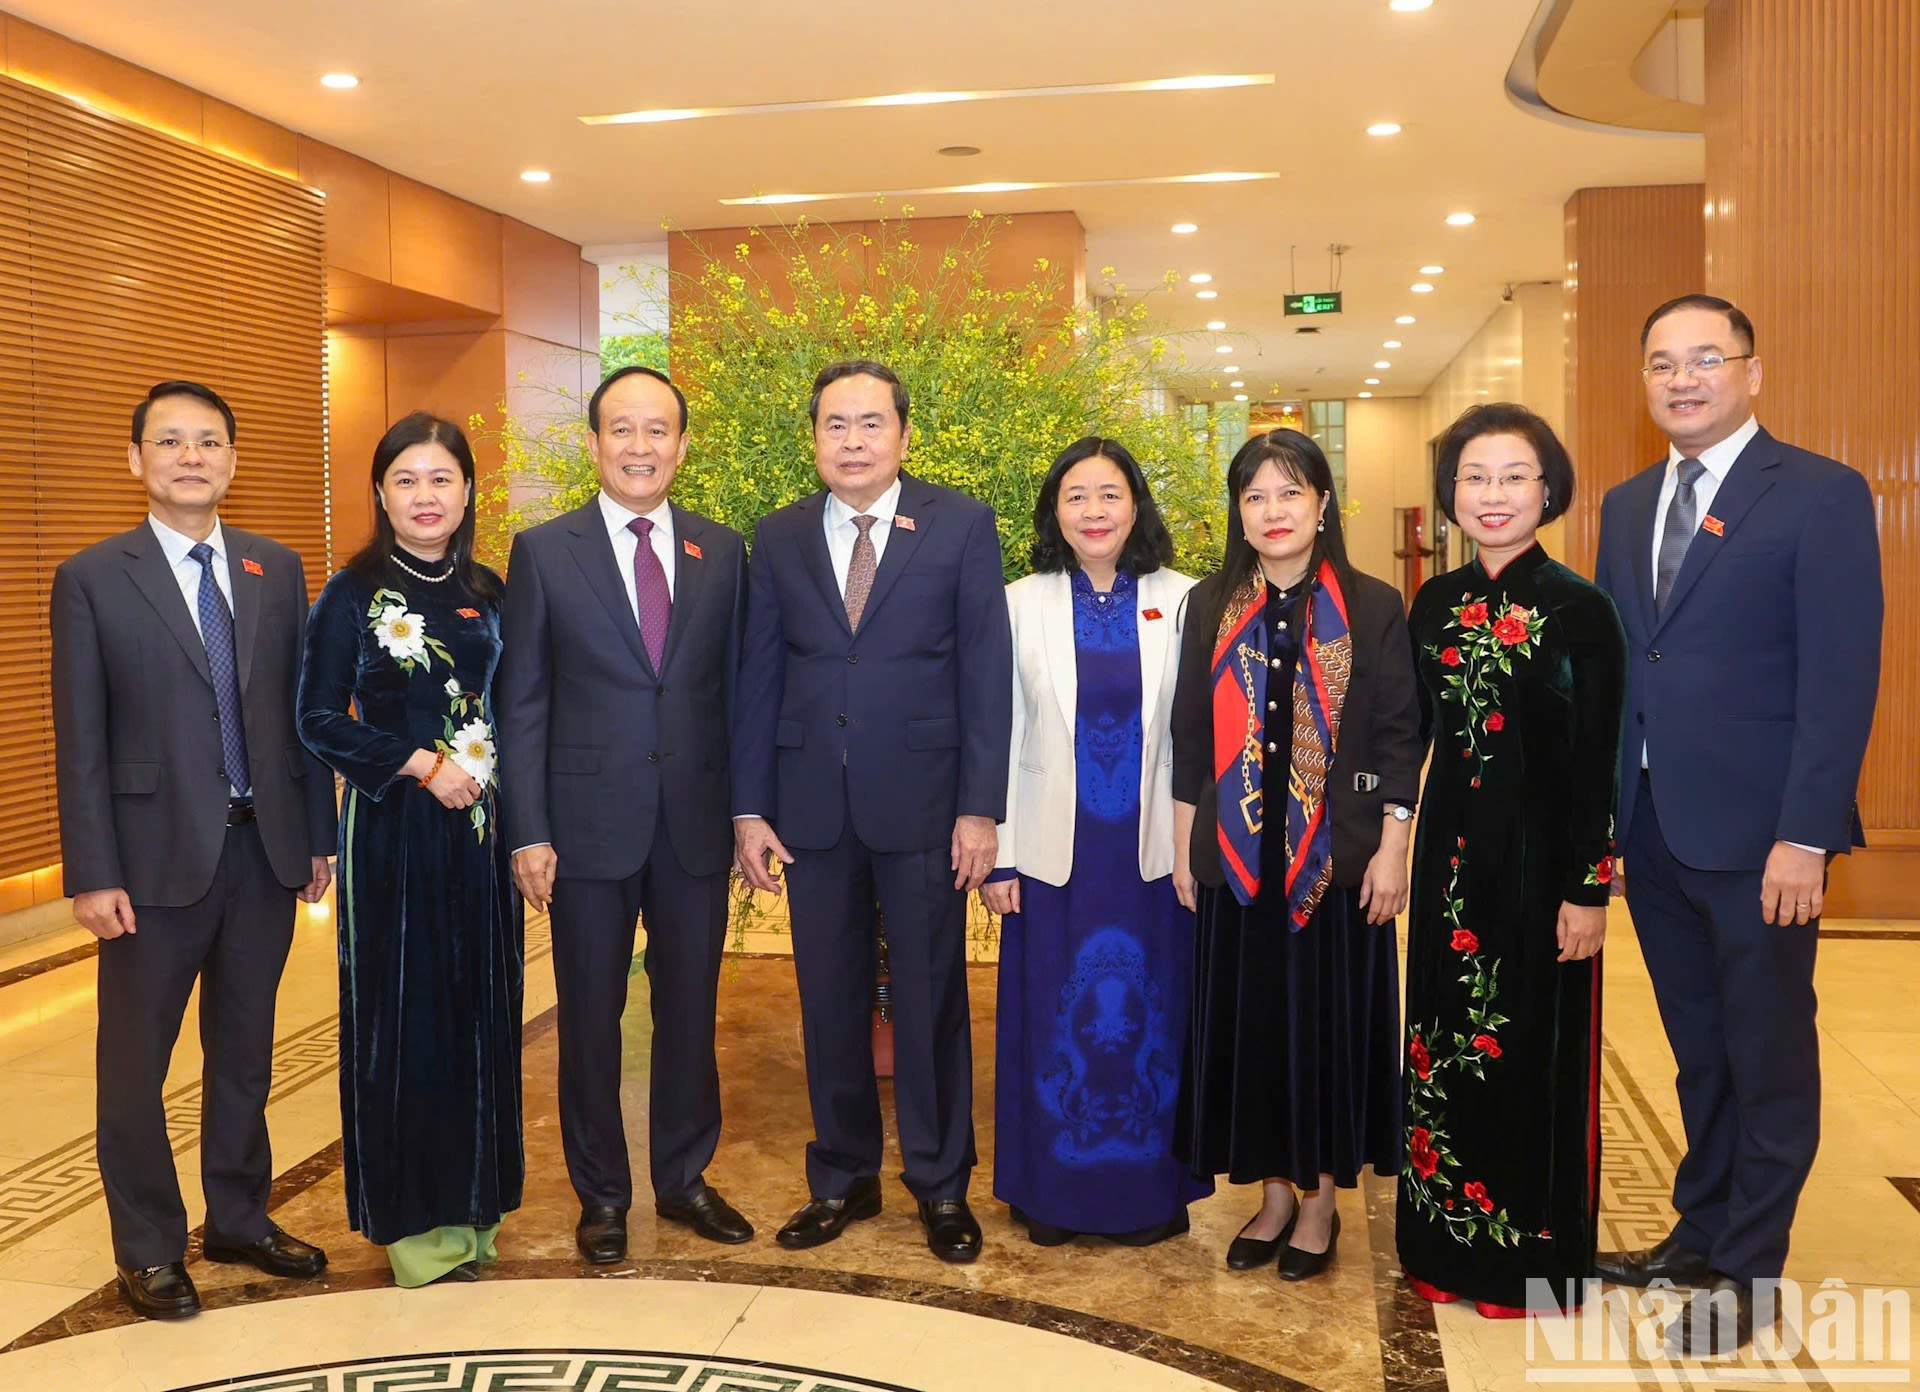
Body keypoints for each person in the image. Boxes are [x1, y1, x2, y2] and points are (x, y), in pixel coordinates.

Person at [1592, 295, 1882, 1355]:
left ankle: (1748, 1271)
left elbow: (1840, 679)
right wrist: (1607, 824)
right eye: (1663, 362)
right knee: (1699, 1051)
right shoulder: (1628, 503)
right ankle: (1700, 1232)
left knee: (1767, 1056)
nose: (1683, 379)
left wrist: (1806, 833)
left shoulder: (1818, 493)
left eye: (1706, 358)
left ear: (1751, 373)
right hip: (1654, 830)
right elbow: (1625, 666)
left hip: (1764, 842)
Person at [51, 381, 336, 1320]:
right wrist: (93, 872)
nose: (190, 457)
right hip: (149, 865)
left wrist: (317, 835)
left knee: (245, 1053)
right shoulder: (94, 577)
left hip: (263, 854)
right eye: (170, 442)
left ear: (232, 460)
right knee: (135, 1068)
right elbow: (80, 740)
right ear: (136, 459)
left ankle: (240, 1218)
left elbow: (300, 716)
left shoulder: (273, 567)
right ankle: (148, 1248)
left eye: (208, 441)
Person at [733, 360, 1012, 1264]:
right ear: (813, 437)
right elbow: (758, 678)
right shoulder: (777, 536)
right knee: (828, 999)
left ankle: (941, 1184)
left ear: (903, 434)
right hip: (810, 807)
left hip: (926, 805)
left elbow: (986, 673)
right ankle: (842, 1177)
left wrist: (980, 808)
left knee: (930, 1000)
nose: (852, 441)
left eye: (870, 423)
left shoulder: (961, 524)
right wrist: (750, 808)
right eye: (835, 424)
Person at [494, 366, 752, 1263]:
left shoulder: (722, 551)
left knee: (690, 1013)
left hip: (693, 826)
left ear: (682, 445)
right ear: (594, 443)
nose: (640, 447)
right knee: (590, 1020)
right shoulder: (543, 551)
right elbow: (523, 700)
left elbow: (738, 694)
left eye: (657, 430)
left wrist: (746, 814)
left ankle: (684, 1180)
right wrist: (529, 829)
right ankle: (601, 1194)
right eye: (622, 429)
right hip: (584, 830)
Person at [1170, 428, 1420, 1282]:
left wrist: (1393, 849)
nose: (1272, 511)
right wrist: (1185, 850)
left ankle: (1319, 1206)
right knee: (1255, 1037)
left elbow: (1399, 738)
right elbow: (1190, 741)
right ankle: (1273, 1197)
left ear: (1322, 504)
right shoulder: (1211, 604)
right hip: (1237, 867)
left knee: (1323, 1037)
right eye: (1255, 496)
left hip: (1336, 866)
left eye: (1289, 492)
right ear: (1238, 513)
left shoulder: (1373, 605)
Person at [1395, 404, 1626, 1318]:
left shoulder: (1581, 609)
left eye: (1514, 476)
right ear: (1451, 491)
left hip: (1542, 874)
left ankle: (1526, 1265)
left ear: (1548, 489)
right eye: (1475, 477)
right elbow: (1410, 736)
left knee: (1532, 1054)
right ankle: (1440, 1246)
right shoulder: (1433, 604)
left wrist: (1588, 889)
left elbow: (1598, 762)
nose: (1494, 494)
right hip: (1450, 870)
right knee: (1442, 1048)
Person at [297, 412, 523, 1286]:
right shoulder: (351, 593)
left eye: (441, 479)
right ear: (380, 493)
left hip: (482, 838)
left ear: (467, 490)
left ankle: (476, 1211)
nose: (425, 496)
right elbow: (316, 719)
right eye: (406, 480)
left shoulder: (490, 590)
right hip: (396, 832)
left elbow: (515, 707)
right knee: (409, 1020)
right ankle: (416, 1232)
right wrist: (420, 763)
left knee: (481, 1016)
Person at [983, 437, 1212, 1247]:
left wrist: (1201, 848)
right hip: (1053, 861)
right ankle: (1051, 1197)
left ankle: (1149, 1196)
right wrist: (1000, 852)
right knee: (1055, 1024)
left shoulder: (1187, 600)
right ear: (1054, 511)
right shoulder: (1017, 603)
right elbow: (999, 732)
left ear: (1136, 505)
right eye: (1075, 496)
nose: (1094, 511)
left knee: (1154, 1022)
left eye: (1110, 494)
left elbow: (1204, 736)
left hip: (1155, 859)